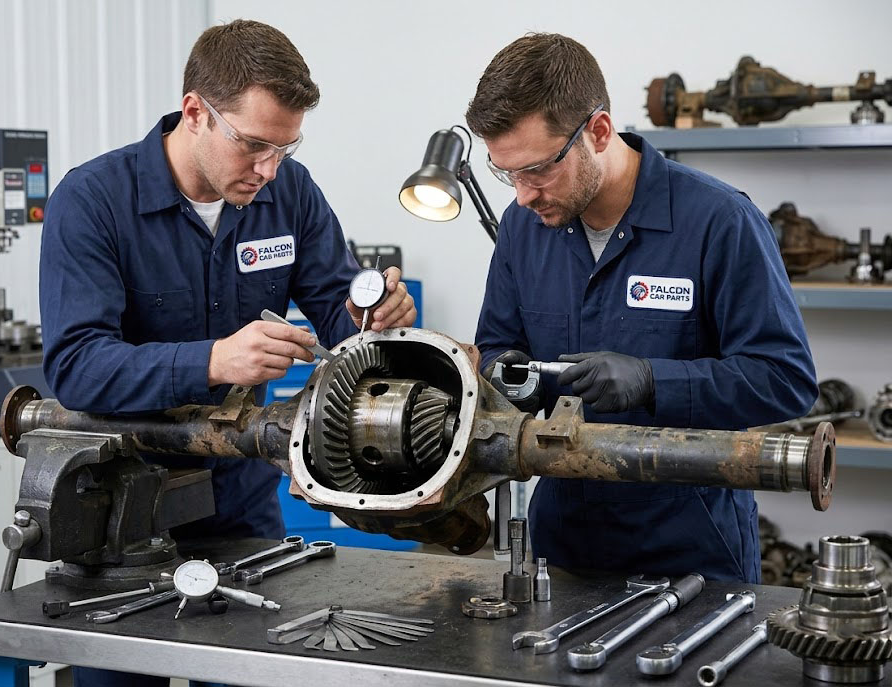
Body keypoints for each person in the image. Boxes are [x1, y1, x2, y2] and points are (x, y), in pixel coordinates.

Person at [39, 19, 416, 687]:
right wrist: (213, 361)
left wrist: (373, 317)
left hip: (242, 504)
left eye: (286, 147)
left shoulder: (288, 193)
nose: (268, 170)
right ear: (194, 113)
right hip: (122, 519)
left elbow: (341, 311)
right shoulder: (93, 202)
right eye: (252, 146)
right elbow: (76, 365)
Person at [466, 33, 817, 584]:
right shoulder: (523, 228)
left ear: (598, 132)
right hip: (562, 543)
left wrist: (654, 381)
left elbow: (784, 379)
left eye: (536, 170)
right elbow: (495, 345)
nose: (522, 195)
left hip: (690, 549)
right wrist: (504, 371)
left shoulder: (719, 222)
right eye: (505, 172)